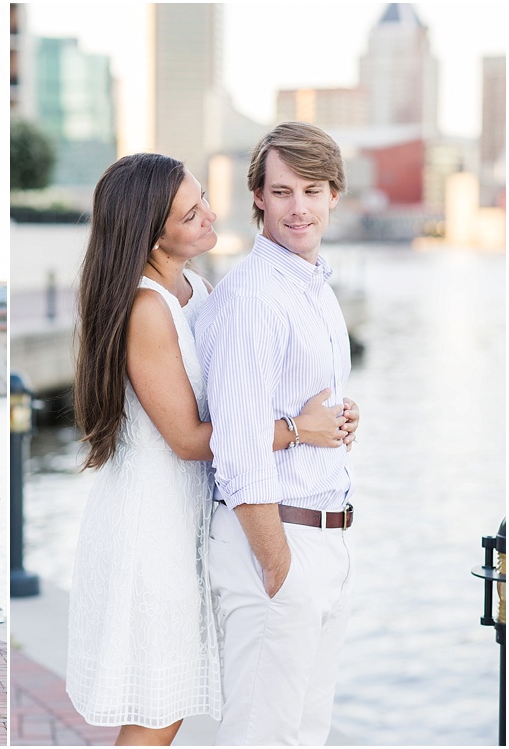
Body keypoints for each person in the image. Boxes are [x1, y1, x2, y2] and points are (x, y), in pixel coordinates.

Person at [66, 152, 356, 746]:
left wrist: (326, 417)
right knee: (157, 709)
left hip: (194, 514)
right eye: (190, 212)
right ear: (150, 231)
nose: (211, 215)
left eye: (203, 200)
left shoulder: (196, 288)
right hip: (154, 522)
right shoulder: (148, 308)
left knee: (180, 700)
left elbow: (238, 393)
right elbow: (190, 438)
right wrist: (300, 429)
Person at [195, 121, 358, 745]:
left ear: (334, 195)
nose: (299, 208)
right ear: (257, 196)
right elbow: (235, 448)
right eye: (283, 191)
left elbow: (299, 398)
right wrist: (279, 568)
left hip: (326, 535)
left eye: (312, 191)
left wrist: (343, 416)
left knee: (303, 734)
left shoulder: (312, 285)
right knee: (262, 737)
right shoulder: (255, 296)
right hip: (278, 538)